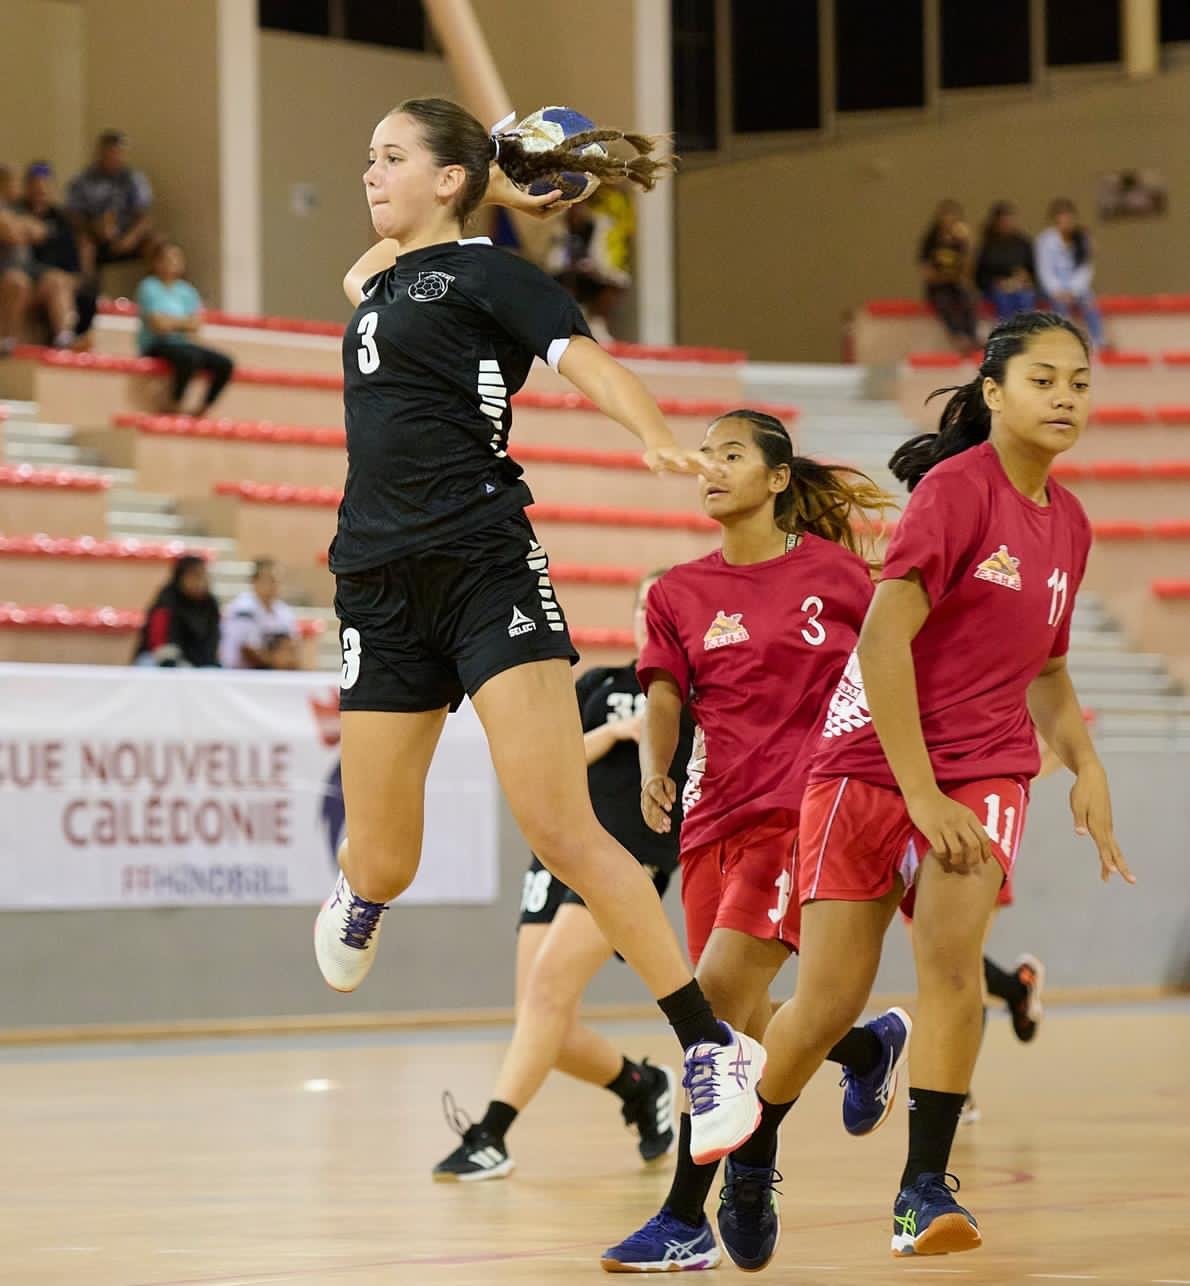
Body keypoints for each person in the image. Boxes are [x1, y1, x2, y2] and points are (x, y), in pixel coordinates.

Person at [311, 96, 766, 1161]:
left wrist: (653, 434)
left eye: (390, 158)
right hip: (375, 585)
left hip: (482, 565)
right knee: (383, 858)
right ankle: (364, 891)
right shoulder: (380, 278)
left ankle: (704, 1047)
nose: (368, 174)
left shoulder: (490, 277)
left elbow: (586, 360)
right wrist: (479, 184)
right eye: (367, 155)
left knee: (563, 826)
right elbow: (365, 272)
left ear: (445, 180)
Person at [700, 312, 1133, 1271]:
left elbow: (1050, 671)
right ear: (993, 393)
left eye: (1080, 383)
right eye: (1044, 380)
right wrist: (920, 792)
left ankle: (922, 1187)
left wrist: (1087, 763)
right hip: (869, 767)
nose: (1066, 397)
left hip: (986, 765)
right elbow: (882, 642)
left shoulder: (1071, 523)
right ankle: (756, 1148)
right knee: (823, 1003)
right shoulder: (953, 493)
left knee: (949, 960)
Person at [602, 411, 911, 1272]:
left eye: (730, 455)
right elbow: (664, 693)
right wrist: (654, 769)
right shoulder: (676, 592)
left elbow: (902, 652)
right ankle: (860, 1043)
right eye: (705, 457)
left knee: (713, 1014)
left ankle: (694, 1209)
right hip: (712, 824)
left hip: (803, 813)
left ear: (777, 479)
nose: (710, 468)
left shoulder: (842, 576)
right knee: (735, 1019)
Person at [433, 570, 691, 1183]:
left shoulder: (686, 699)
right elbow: (550, 759)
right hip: (556, 856)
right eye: (643, 611)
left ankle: (491, 1135)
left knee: (547, 995)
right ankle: (642, 1086)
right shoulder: (597, 684)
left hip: (627, 859)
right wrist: (613, 733)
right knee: (543, 1017)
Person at [136, 242, 235, 413]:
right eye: (167, 259)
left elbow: (195, 324)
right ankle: (174, 403)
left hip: (182, 343)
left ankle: (202, 408)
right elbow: (158, 325)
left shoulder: (187, 291)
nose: (172, 263)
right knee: (189, 358)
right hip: (157, 344)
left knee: (225, 363)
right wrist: (183, 323)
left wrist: (171, 322)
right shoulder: (149, 287)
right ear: (157, 262)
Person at [15, 161, 95, 349]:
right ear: (27, 187)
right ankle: (64, 339)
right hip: (26, 280)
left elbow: (73, 265)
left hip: (56, 281)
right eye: (35, 185)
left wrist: (74, 279)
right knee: (55, 281)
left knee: (70, 288)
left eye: (44, 186)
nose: (40, 191)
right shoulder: (16, 214)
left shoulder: (63, 220)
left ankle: (64, 340)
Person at [66, 129, 156, 279]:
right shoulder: (83, 180)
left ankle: (159, 292)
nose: (114, 156)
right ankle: (88, 293)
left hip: (127, 235)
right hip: (94, 236)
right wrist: (94, 227)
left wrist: (130, 238)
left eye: (118, 152)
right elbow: (73, 214)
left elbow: (145, 216)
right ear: (100, 153)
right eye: (109, 152)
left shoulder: (134, 178)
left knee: (156, 243)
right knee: (83, 245)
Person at [1035, 199, 1106, 351]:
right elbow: (1044, 269)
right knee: (1059, 305)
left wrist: (1073, 290)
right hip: (1054, 287)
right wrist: (1056, 290)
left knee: (1089, 300)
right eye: (1061, 219)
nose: (1065, 223)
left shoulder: (1083, 239)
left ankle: (1098, 339)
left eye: (1069, 218)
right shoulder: (1045, 240)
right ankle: (1066, 341)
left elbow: (1085, 269)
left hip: (1076, 287)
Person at [132, 554, 221, 668]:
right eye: (194, 576)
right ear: (180, 577)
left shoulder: (210, 604)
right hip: (163, 658)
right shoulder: (167, 601)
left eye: (203, 576)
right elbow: (157, 641)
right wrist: (179, 663)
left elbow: (213, 638)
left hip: (198, 661)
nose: (200, 582)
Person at [917, 200, 979, 355]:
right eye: (947, 216)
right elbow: (926, 271)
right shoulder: (930, 241)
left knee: (967, 300)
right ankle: (958, 336)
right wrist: (941, 276)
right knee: (945, 302)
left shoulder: (959, 242)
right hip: (937, 285)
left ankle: (972, 336)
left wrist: (968, 244)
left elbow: (967, 271)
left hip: (954, 283)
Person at [219, 560, 301, 670]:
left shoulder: (284, 612)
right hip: (239, 673)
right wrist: (275, 662)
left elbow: (292, 644)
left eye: (277, 580)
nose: (274, 584)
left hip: (271, 672)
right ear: (254, 581)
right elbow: (247, 650)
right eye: (270, 579)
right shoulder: (242, 608)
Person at [975, 201, 1037, 323]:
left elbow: (1031, 270)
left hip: (1019, 285)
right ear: (997, 223)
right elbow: (979, 275)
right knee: (1004, 299)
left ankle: (1025, 333)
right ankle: (1006, 334)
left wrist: (1024, 279)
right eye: (1004, 221)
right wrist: (998, 283)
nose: (1008, 224)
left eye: (1010, 220)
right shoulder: (988, 245)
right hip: (996, 288)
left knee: (1026, 297)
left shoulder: (1023, 243)